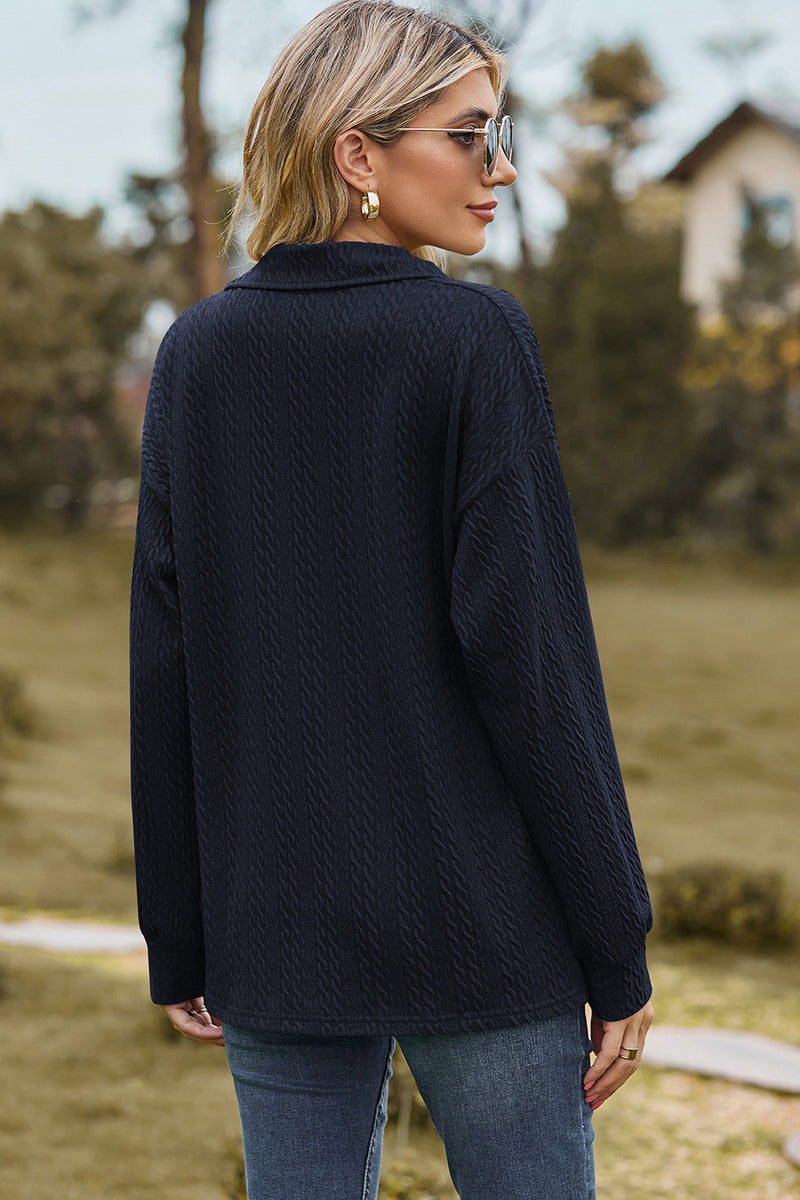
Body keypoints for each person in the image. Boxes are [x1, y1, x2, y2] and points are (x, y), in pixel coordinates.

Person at [128, 2, 655, 1197]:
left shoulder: (196, 354)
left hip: (274, 932)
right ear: (356, 154)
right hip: (483, 928)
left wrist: (181, 935)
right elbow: (529, 665)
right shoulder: (470, 338)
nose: (498, 169)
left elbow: (167, 664)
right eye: (469, 136)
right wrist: (612, 940)